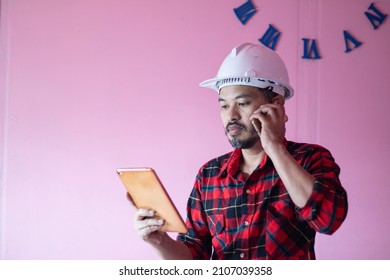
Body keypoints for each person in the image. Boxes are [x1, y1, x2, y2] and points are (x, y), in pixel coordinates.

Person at [133, 42, 348, 260]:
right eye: (224, 105)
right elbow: (193, 257)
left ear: (276, 104)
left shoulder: (310, 159)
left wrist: (273, 145)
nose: (231, 115)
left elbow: (328, 221)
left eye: (242, 103)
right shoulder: (209, 174)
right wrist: (159, 241)